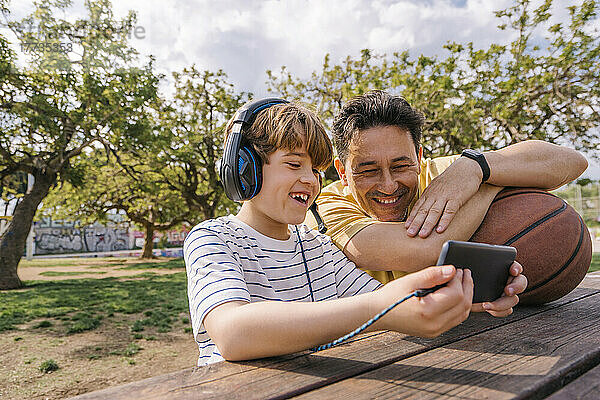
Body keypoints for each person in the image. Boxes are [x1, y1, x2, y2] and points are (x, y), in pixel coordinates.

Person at [184, 99, 476, 366]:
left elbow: (394, 303)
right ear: (245, 169)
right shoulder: (213, 238)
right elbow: (233, 333)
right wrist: (379, 307)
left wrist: (467, 298)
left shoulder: (319, 248)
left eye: (315, 170)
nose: (310, 180)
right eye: (294, 164)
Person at [306, 90, 586, 316]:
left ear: (418, 156)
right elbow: (423, 250)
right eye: (368, 171)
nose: (388, 184)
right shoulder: (326, 207)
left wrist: (479, 165)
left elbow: (574, 162)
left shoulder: (450, 173)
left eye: (401, 165)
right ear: (342, 172)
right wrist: (490, 182)